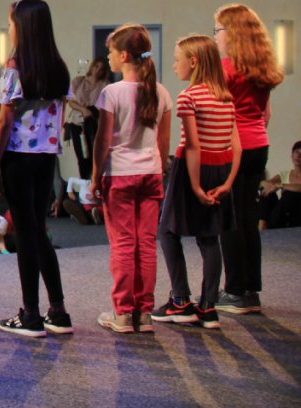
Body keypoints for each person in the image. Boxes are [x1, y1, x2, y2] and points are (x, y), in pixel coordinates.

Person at [0, 0, 72, 337]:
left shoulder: (16, 66)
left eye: (11, 22)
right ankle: (58, 309)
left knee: (25, 234)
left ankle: (31, 314)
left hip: (19, 158)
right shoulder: (58, 67)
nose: (10, 27)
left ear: (22, 27)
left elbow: (4, 123)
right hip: (46, 159)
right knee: (39, 231)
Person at [153, 34, 240, 330]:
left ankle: (180, 299)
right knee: (209, 237)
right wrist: (228, 182)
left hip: (192, 170)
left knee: (167, 230)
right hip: (221, 168)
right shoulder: (226, 98)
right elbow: (235, 145)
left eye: (177, 60)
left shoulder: (189, 97)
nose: (175, 65)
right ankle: (208, 306)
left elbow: (192, 145)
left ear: (193, 62)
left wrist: (194, 186)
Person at [91, 24, 172, 334]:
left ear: (124, 55)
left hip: (120, 175)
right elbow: (163, 144)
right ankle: (145, 312)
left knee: (124, 245)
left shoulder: (112, 93)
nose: (108, 58)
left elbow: (103, 140)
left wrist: (97, 176)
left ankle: (123, 313)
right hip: (151, 173)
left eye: (111, 52)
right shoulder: (161, 91)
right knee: (147, 245)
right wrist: (159, 170)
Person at [213, 3, 283, 314]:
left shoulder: (226, 69)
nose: (215, 37)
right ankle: (250, 290)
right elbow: (265, 114)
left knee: (230, 219)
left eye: (218, 30)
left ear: (233, 34)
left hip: (234, 148)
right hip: (259, 145)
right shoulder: (262, 68)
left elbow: (212, 112)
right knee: (248, 219)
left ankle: (234, 290)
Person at [65, 58, 110, 180]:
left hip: (94, 124)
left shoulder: (104, 85)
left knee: (94, 157)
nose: (98, 71)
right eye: (96, 67)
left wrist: (92, 111)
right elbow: (70, 101)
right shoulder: (79, 81)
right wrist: (83, 109)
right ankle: (84, 182)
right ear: (92, 67)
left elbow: (105, 105)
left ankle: (94, 183)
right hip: (77, 123)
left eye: (101, 69)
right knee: (82, 156)